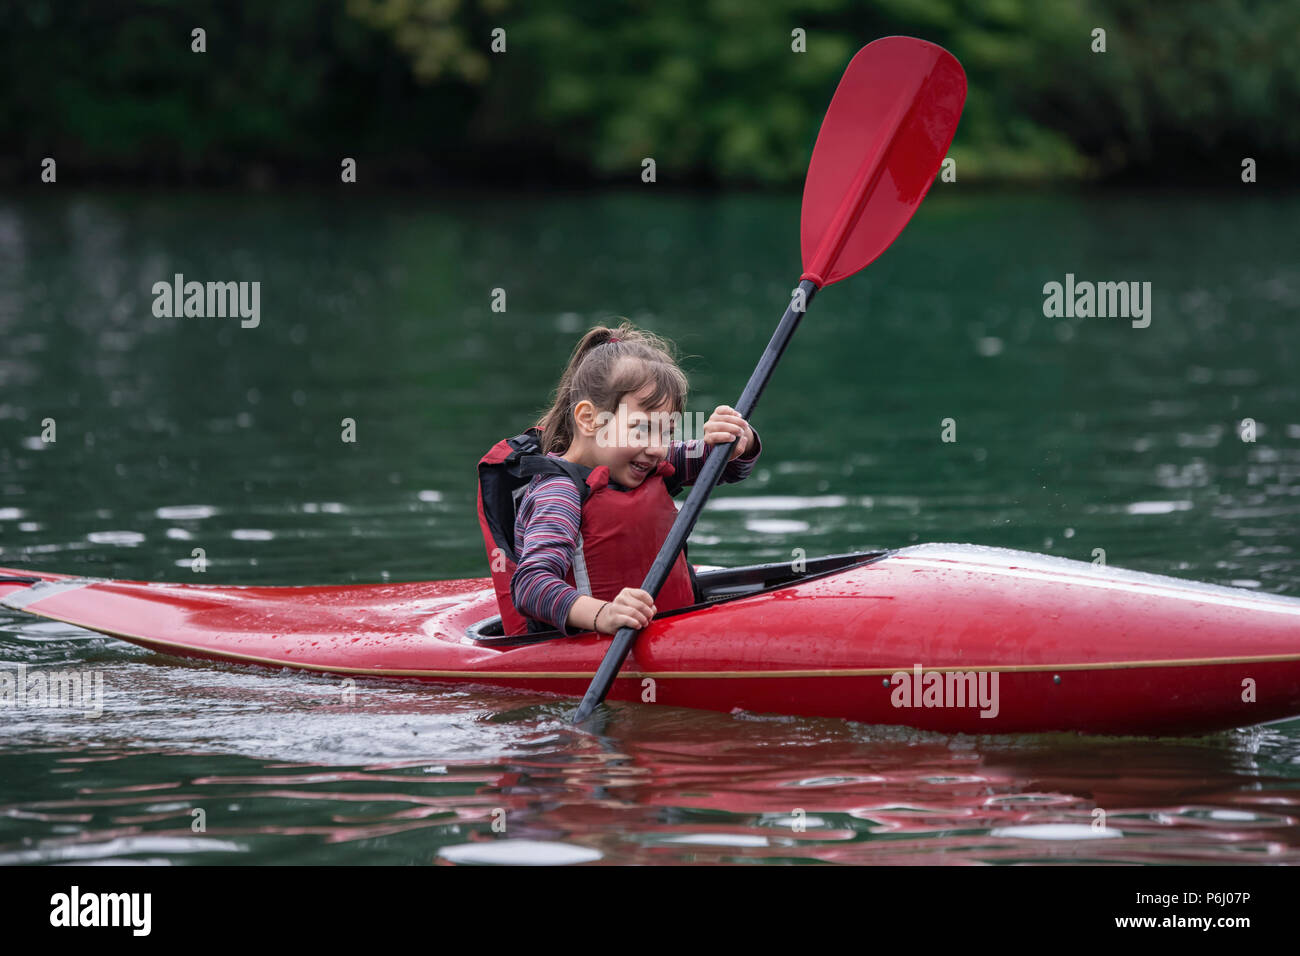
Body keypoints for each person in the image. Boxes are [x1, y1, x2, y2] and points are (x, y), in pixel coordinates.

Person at [475, 321, 762, 636]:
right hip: (595, 646)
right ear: (588, 419)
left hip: (677, 629)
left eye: (667, 432)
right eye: (642, 428)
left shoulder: (645, 461)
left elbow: (720, 465)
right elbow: (532, 587)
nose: (656, 448)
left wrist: (736, 441)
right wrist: (604, 614)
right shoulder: (558, 493)